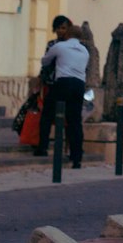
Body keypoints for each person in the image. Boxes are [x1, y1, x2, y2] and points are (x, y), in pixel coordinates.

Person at [35, 14, 88, 168]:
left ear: (68, 34)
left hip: (62, 83)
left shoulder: (58, 46)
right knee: (75, 121)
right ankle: (76, 157)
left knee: (47, 114)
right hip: (79, 85)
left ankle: (42, 147)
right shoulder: (85, 51)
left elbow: (45, 61)